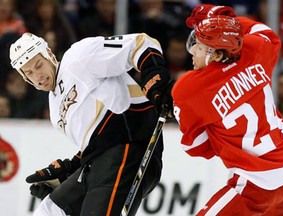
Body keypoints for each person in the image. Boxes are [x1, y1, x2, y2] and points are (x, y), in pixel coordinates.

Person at [9, 31, 173, 215]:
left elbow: (140, 42)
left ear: (48, 53)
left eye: (39, 65)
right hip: (99, 165)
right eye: (29, 73)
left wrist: (154, 75)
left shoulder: (78, 57)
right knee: (47, 211)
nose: (38, 76)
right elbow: (94, 143)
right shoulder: (54, 108)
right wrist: (69, 169)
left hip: (128, 150)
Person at [171, 4, 283, 216]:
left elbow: (197, 147)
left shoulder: (189, 88)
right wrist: (226, 25)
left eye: (199, 45)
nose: (194, 50)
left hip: (253, 184)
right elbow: (266, 34)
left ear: (215, 55)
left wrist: (219, 22)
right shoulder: (255, 50)